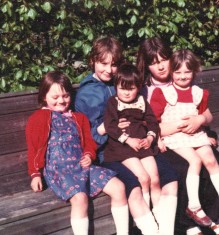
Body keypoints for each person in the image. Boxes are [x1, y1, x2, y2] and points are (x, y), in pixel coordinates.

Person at [75, 35, 178, 235]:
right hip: (108, 153)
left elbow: (144, 112)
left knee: (170, 176)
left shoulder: (120, 81)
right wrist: (107, 127)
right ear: (92, 61)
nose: (108, 70)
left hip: (138, 145)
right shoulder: (88, 93)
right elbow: (88, 135)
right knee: (135, 184)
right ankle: (151, 230)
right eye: (103, 64)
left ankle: (167, 230)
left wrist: (150, 135)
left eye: (113, 64)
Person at [25, 71, 129, 235]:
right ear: (44, 96)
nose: (61, 101)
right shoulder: (38, 118)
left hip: (83, 166)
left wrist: (88, 155)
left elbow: (89, 142)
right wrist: (35, 174)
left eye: (65, 96)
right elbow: (33, 148)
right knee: (80, 198)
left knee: (119, 187)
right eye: (55, 97)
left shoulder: (79, 118)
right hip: (59, 170)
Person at [137, 37, 219, 235]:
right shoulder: (146, 89)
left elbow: (205, 112)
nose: (161, 67)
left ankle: (212, 217)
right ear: (147, 65)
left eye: (164, 60)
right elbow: (146, 125)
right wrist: (175, 127)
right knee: (181, 167)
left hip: (191, 136)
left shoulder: (183, 77)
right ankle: (186, 224)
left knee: (212, 158)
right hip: (163, 141)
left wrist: (200, 121)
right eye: (154, 63)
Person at [103, 63, 161, 210]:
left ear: (139, 87)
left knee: (154, 179)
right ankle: (147, 213)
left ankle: (160, 215)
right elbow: (110, 126)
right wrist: (128, 140)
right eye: (122, 88)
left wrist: (150, 138)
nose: (126, 93)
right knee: (143, 178)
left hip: (143, 144)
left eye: (131, 89)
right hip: (123, 147)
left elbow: (153, 123)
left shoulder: (142, 101)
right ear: (116, 86)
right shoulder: (113, 102)